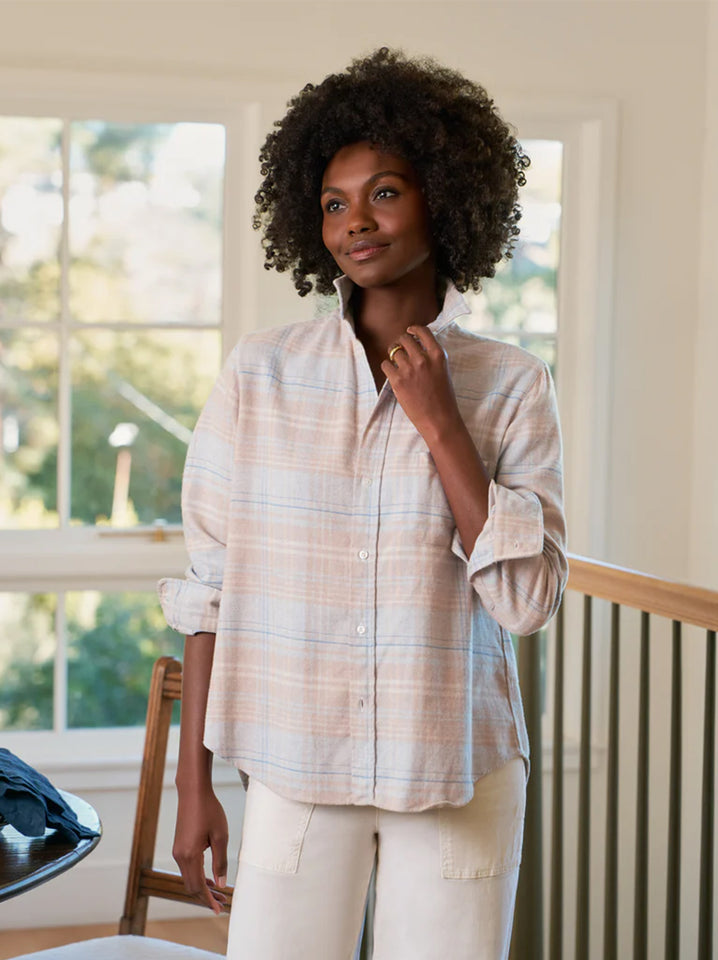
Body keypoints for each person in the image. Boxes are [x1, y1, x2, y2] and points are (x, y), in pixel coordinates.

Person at [159, 47, 567, 960]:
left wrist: (442, 427)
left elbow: (526, 602)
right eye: (335, 203)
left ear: (446, 196)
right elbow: (208, 587)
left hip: (456, 770)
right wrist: (196, 787)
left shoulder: (510, 384)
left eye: (385, 192)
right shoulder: (260, 373)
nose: (356, 222)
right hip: (296, 770)